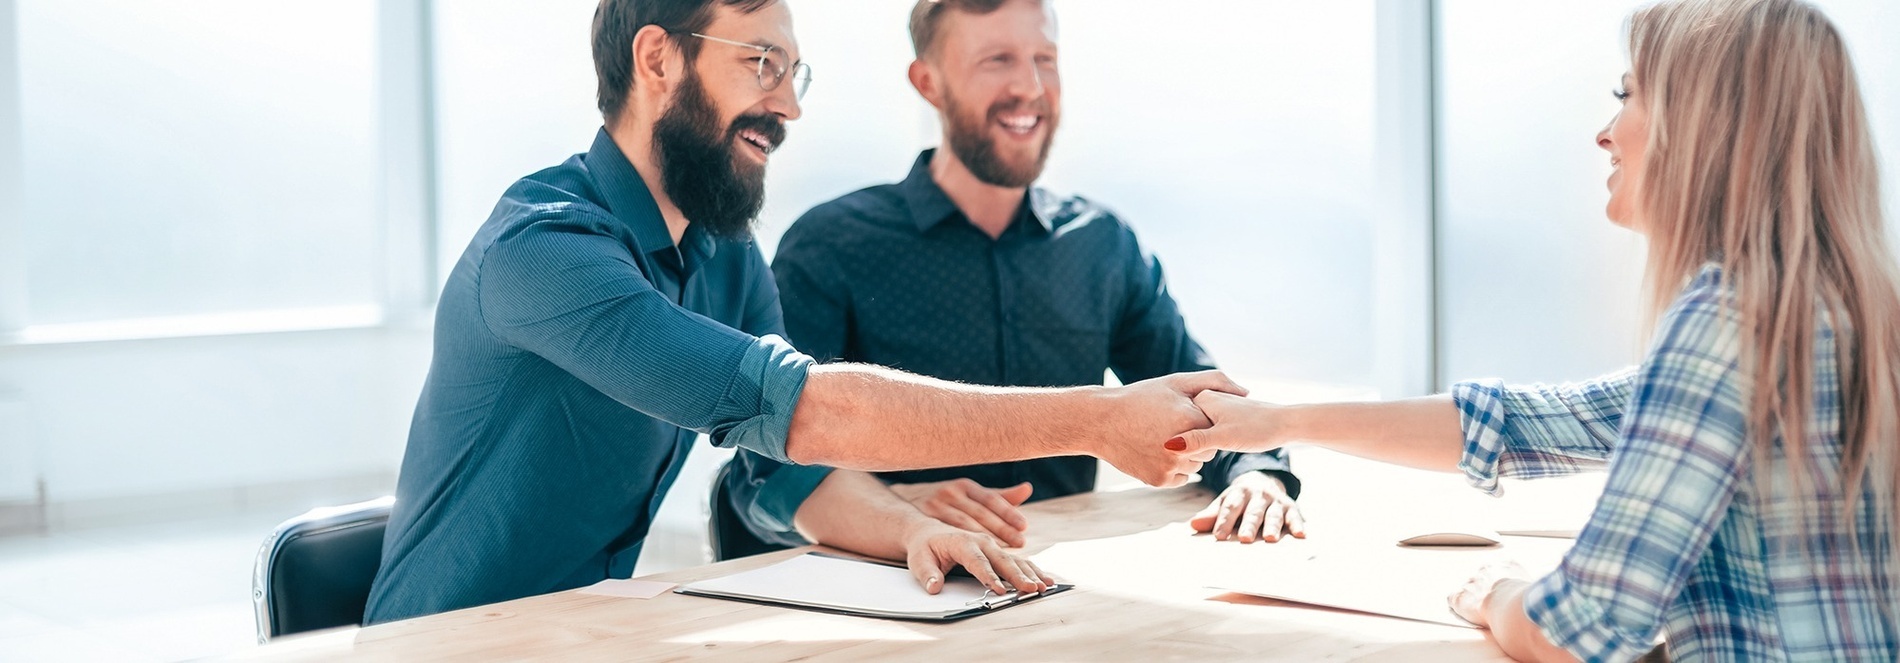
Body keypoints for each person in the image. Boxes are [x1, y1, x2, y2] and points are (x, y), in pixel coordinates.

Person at [364, 0, 1241, 625]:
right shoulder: (544, 251)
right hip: (442, 645)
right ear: (659, 59)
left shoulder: (725, 251)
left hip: (576, 632)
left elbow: (785, 467)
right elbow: (812, 413)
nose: (788, 104)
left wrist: (912, 529)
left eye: (792, 72)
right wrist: (1098, 419)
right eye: (760, 63)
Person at [1176, 0, 1900, 660]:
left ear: (1707, 126)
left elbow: (1575, 628)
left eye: (1629, 95)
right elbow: (1534, 421)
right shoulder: (1843, 314)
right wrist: (1278, 420)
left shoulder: (1727, 324)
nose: (1605, 132)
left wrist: (1496, 593)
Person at [719, 0, 1301, 566]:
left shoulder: (1102, 245)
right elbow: (762, 468)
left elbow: (1200, 403)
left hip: (1061, 585)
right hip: (899, 587)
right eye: (996, 60)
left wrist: (1257, 476)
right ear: (929, 83)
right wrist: (889, 506)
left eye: (1044, 59)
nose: (1030, 86)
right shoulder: (832, 245)